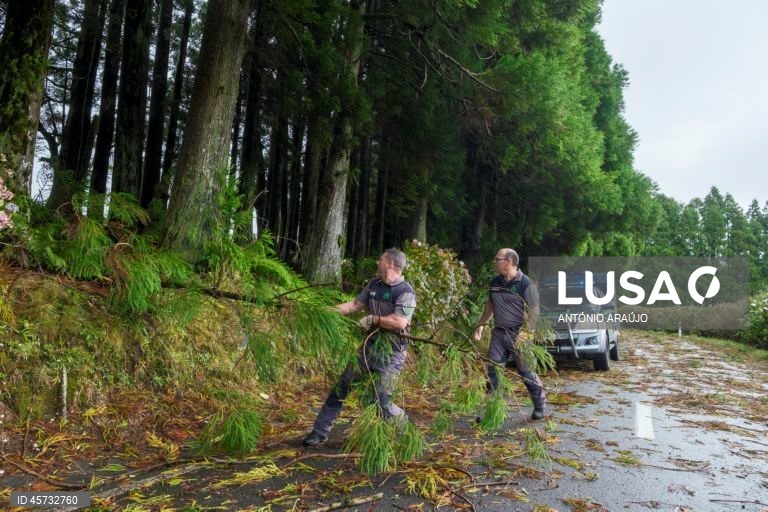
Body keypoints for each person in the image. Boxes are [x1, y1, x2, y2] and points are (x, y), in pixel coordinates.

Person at [303, 248, 417, 446]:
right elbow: (354, 304)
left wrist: (374, 318)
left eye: (380, 259)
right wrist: (324, 312)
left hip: (392, 354)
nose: (377, 263)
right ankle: (319, 432)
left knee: (382, 401)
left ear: (390, 264)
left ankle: (405, 428)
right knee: (342, 386)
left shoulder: (405, 292)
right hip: (368, 348)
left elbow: (400, 322)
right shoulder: (374, 284)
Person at [473, 248, 547, 420]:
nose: (495, 262)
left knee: (526, 372)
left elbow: (535, 309)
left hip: (518, 333)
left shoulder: (525, 283)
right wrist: (481, 324)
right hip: (499, 333)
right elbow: (490, 305)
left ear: (508, 262)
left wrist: (527, 332)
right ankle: (492, 410)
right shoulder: (495, 282)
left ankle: (540, 405)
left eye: (497, 259)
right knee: (493, 371)